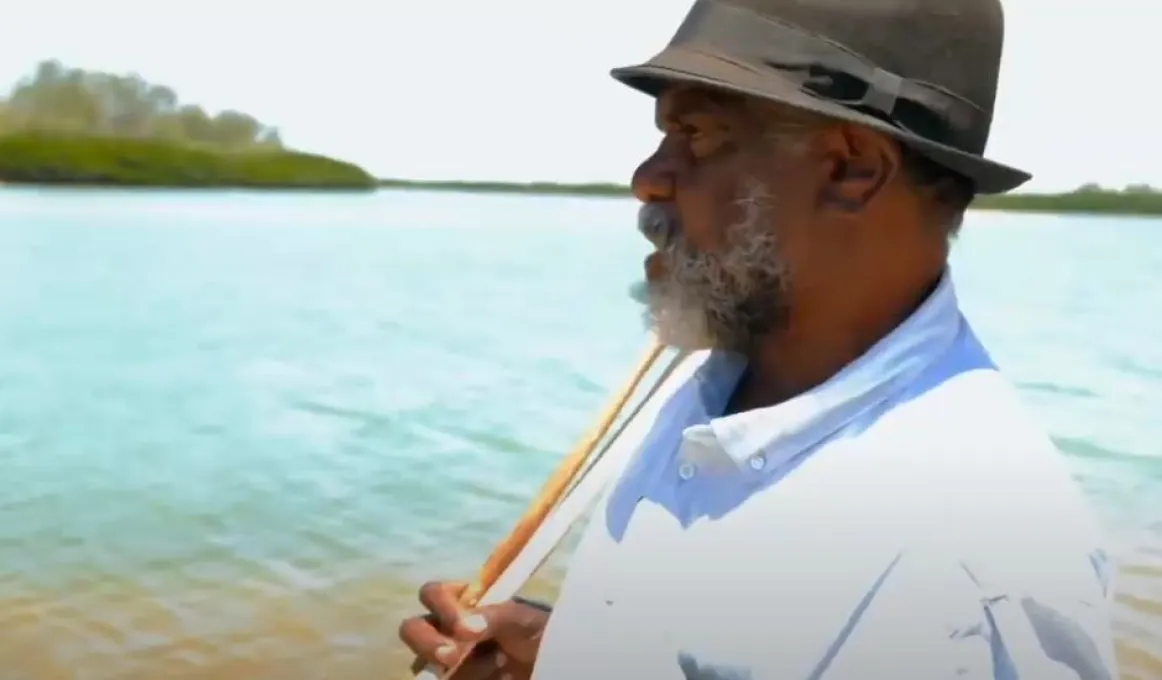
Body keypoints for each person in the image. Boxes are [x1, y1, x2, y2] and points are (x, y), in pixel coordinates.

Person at [399, 0, 1120, 677]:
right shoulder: (714, 375)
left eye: (699, 135)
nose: (648, 179)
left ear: (850, 167)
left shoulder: (979, 562)